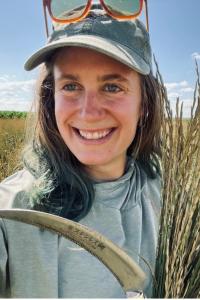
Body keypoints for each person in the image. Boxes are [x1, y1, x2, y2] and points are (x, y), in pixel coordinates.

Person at [0, 7, 162, 299]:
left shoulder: (170, 198)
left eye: (112, 86)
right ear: (51, 99)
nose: (88, 113)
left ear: (144, 103)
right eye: (71, 86)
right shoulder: (12, 211)